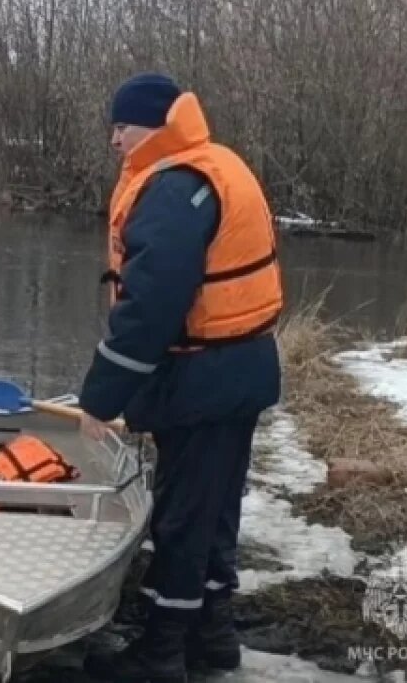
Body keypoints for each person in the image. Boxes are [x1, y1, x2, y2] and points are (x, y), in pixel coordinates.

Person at [78, 73, 283, 682]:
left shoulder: (174, 185)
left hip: (205, 377)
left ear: (152, 127)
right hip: (238, 370)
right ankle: (212, 638)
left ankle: (161, 652)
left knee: (184, 516)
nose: (114, 140)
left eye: (121, 127)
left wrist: (101, 397)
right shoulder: (213, 164)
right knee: (214, 509)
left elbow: (151, 305)